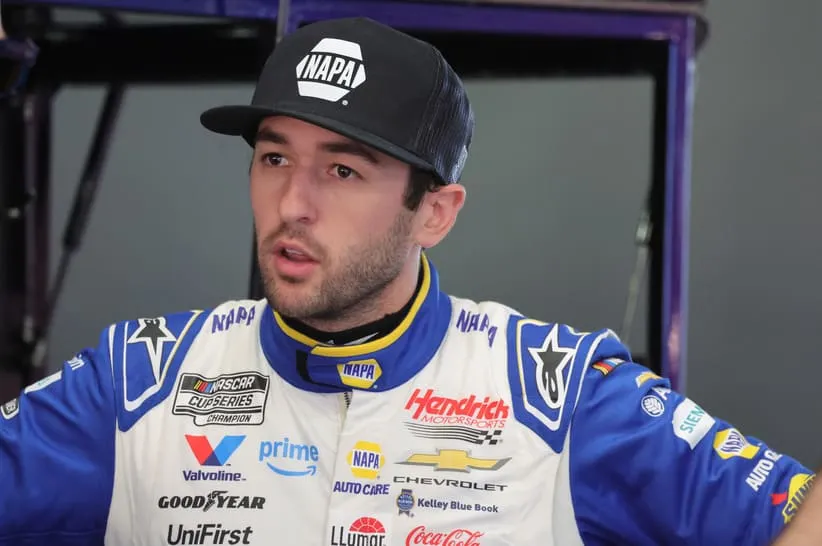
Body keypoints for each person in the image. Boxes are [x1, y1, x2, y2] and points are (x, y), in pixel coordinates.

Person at [0, 16, 813, 546]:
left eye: (344, 170)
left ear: (435, 213)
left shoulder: (557, 398)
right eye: (274, 157)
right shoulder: (139, 382)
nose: (293, 204)